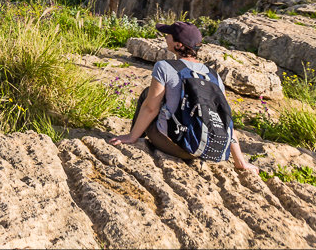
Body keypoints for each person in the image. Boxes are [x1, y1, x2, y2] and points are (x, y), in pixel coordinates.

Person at [108, 21, 258, 174]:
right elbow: (226, 120)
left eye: (169, 35)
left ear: (178, 45)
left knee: (148, 94)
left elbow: (150, 108)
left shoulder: (164, 67)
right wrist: (241, 161)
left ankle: (135, 137)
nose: (166, 37)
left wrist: (131, 137)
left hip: (177, 146)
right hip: (207, 150)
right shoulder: (214, 76)